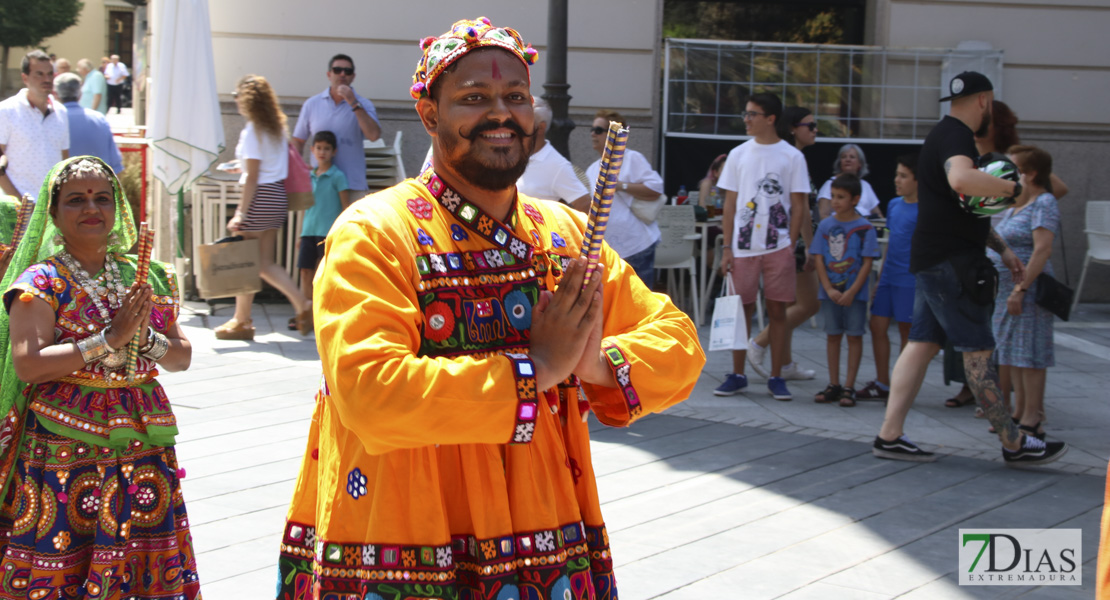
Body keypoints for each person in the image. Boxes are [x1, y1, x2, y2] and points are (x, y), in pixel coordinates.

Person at [274, 17, 704, 599]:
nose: (501, 114)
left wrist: (594, 363)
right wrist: (537, 371)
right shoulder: (374, 233)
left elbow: (678, 342)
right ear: (429, 115)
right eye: (474, 99)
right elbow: (370, 393)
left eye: (516, 98)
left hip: (546, 532)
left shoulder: (566, 236)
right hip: (407, 532)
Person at [0, 156, 200, 598]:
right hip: (64, 446)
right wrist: (108, 339)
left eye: (101, 198)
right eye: (75, 200)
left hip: (143, 440)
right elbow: (29, 363)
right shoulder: (41, 282)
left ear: (117, 208)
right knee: (63, 551)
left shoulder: (148, 275)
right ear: (53, 215)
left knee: (142, 553)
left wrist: (143, 339)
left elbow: (181, 357)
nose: (91, 208)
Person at [872, 71, 1067, 465]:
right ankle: (1015, 443)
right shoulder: (959, 138)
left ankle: (889, 435)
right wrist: (1013, 190)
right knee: (978, 351)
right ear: (985, 101)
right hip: (953, 265)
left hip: (933, 258)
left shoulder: (939, 136)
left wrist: (1006, 251)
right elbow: (962, 181)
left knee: (921, 344)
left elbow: (961, 209)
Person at [713, 92, 809, 401]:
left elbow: (798, 202)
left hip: (777, 246)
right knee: (741, 310)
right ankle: (737, 374)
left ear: (770, 118)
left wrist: (790, 243)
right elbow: (730, 204)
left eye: (752, 114)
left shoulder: (791, 156)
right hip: (742, 248)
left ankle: (777, 375)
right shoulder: (738, 154)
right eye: (746, 113)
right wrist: (727, 247)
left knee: (778, 310)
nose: (746, 119)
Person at [216, 75, 311, 341]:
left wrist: (240, 213)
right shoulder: (276, 130)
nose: (235, 101)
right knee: (261, 261)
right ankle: (242, 319)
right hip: (277, 195)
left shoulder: (252, 131)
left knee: (252, 262)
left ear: (247, 101)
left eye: (237, 96)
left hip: (259, 197)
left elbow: (255, 176)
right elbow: (263, 167)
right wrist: (242, 167)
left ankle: (296, 304)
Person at [989, 145, 1061, 442]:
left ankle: (1033, 415)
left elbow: (1042, 249)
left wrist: (1020, 289)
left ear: (1030, 174)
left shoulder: (1043, 202)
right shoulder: (1018, 203)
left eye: (1014, 168)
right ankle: (1019, 411)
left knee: (1030, 353)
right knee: (1012, 352)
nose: (1009, 173)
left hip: (1027, 291)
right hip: (1008, 291)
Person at [746, 106, 820, 381]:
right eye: (810, 126)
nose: (815, 131)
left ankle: (785, 364)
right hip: (794, 242)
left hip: (787, 239)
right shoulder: (791, 158)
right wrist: (811, 246)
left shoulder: (790, 157)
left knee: (790, 305)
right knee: (809, 305)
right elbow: (798, 206)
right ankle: (760, 343)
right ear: (793, 128)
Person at [810, 174, 879, 407]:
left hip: (854, 294)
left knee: (854, 336)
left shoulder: (865, 228)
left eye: (841, 197)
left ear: (855, 199)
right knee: (832, 335)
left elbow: (867, 262)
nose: (835, 202)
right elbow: (818, 258)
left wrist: (852, 292)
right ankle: (833, 383)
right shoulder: (826, 225)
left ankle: (849, 386)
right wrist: (828, 288)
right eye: (833, 197)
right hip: (830, 292)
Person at [858, 153, 919, 401]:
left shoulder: (926, 209)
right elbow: (891, 243)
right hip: (889, 275)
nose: (897, 180)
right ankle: (882, 382)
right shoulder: (894, 205)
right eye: (897, 174)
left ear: (918, 179)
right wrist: (881, 278)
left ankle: (902, 387)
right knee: (876, 325)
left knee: (907, 332)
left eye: (903, 176)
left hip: (910, 279)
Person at [585, 109, 665, 287]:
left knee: (640, 309)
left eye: (598, 130)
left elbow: (656, 188)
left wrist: (620, 185)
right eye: (592, 129)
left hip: (636, 247)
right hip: (608, 253)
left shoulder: (631, 158)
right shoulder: (592, 169)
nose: (592, 133)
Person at [291, 54, 381, 202]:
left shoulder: (363, 104)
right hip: (321, 184)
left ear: (353, 76)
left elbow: (374, 135)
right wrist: (299, 168)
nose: (342, 74)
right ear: (329, 74)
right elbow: (298, 140)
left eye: (348, 71)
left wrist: (353, 102)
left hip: (352, 184)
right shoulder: (312, 104)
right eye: (337, 70)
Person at [0, 51, 70, 199]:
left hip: (51, 207)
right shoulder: (6, 111)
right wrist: (19, 201)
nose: (47, 79)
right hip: (16, 208)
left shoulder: (61, 112)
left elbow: (63, 159)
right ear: (25, 78)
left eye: (50, 74)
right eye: (39, 74)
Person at [297, 130, 349, 307]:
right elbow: (306, 207)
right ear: (312, 150)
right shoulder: (308, 176)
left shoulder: (338, 176)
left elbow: (345, 207)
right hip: (308, 231)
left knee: (323, 272)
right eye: (318, 148)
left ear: (334, 152)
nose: (322, 152)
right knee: (305, 270)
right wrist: (300, 234)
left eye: (327, 148)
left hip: (327, 233)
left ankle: (322, 310)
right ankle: (306, 310)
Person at [517, 97, 589, 208]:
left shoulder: (557, 165)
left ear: (540, 127)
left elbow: (585, 204)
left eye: (523, 121)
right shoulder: (510, 154)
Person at [54, 73, 124, 175]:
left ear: (55, 94)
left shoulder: (53, 121)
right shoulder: (99, 119)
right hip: (99, 185)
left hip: (63, 187)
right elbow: (116, 165)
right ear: (80, 94)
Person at [817, 144, 883, 219]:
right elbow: (822, 215)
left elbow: (878, 215)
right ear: (840, 162)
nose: (847, 159)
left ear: (860, 163)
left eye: (852, 157)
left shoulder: (866, 185)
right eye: (844, 157)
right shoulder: (831, 183)